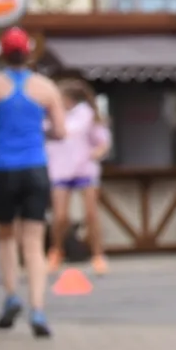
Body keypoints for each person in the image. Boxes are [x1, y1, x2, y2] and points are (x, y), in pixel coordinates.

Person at [0, 28, 67, 337]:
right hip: (35, 168)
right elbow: (61, 132)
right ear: (29, 53)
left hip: (2, 167)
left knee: (6, 236)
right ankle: (37, 309)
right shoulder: (45, 87)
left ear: (1, 53)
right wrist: (39, 132)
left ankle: (11, 295)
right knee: (35, 242)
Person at [46, 79, 111, 274]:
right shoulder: (51, 116)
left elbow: (102, 141)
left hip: (84, 169)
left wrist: (96, 154)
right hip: (60, 169)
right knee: (60, 217)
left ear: (69, 99)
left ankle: (98, 255)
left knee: (91, 215)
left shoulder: (87, 115)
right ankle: (56, 251)